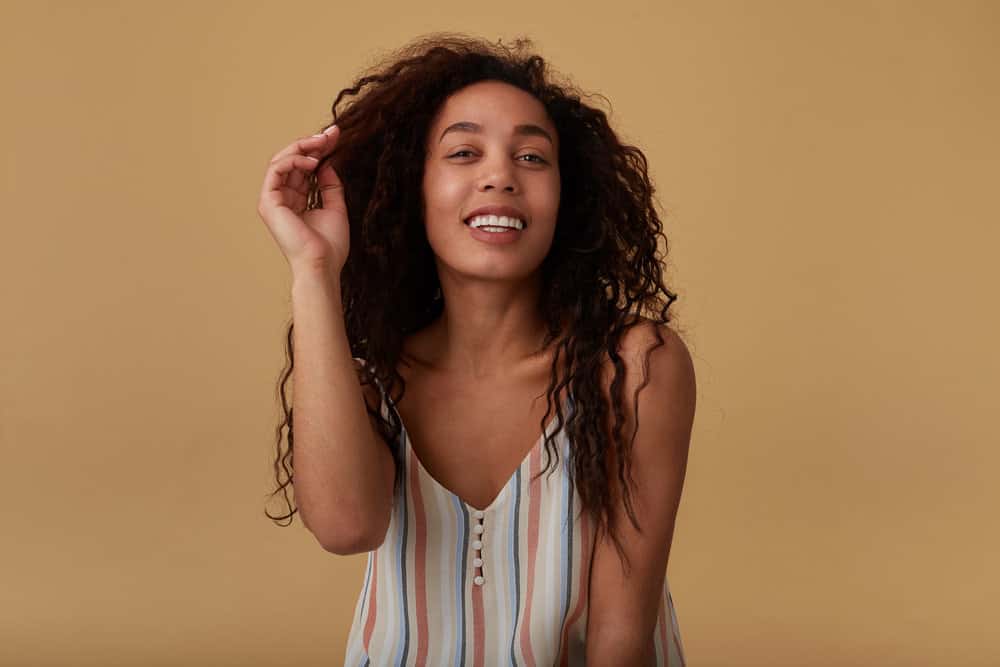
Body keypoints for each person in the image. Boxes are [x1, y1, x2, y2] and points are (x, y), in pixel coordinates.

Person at [257, 33, 695, 667]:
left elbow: (621, 640)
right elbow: (346, 528)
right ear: (414, 188)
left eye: (533, 158)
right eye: (464, 152)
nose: (500, 176)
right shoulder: (375, 378)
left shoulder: (634, 367)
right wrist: (314, 269)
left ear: (568, 197)